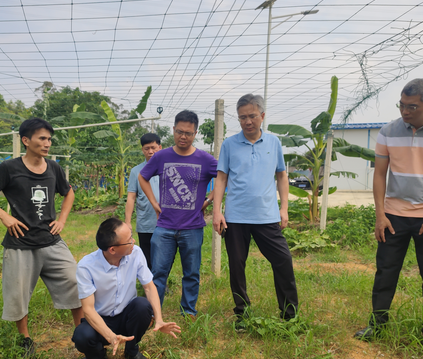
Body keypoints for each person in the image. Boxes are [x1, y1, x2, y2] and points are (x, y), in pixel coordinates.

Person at [354, 78, 423, 357]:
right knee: (385, 272)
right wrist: (380, 214)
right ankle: (377, 324)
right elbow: (379, 174)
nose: (405, 112)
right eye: (401, 105)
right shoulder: (388, 131)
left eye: (411, 106)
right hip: (393, 216)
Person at [0, 118, 82, 358]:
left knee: (75, 282)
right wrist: (4, 216)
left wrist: (62, 219)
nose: (47, 143)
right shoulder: (9, 168)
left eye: (49, 139)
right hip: (20, 244)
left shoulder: (54, 168)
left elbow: (68, 191)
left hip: (51, 241)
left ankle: (82, 334)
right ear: (25, 140)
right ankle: (25, 340)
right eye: (42, 138)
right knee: (17, 294)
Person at [212, 94, 299, 328]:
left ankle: (290, 314)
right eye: (242, 117)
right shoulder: (229, 144)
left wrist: (284, 208)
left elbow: (281, 175)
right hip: (236, 216)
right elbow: (221, 178)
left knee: (283, 260)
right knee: (237, 266)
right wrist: (217, 212)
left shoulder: (274, 143)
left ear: (262, 116)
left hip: (266, 216)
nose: (247, 121)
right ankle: (242, 313)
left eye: (252, 116)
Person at [70, 218, 181, 359]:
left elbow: (149, 287)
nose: (133, 242)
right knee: (82, 336)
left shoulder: (136, 253)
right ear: (112, 250)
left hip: (127, 316)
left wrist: (159, 319)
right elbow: (88, 310)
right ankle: (96, 357)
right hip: (101, 319)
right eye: (129, 240)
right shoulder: (86, 266)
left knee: (142, 306)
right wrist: (111, 336)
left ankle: (131, 350)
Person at [138, 110, 217, 317]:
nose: (183, 136)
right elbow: (142, 177)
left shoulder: (205, 159)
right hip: (164, 227)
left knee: (191, 273)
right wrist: (154, 203)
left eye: (189, 133)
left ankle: (188, 311)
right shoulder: (161, 156)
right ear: (173, 130)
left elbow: (225, 178)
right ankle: (154, 313)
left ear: (195, 133)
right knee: (158, 273)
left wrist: (208, 200)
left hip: (193, 228)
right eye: (180, 132)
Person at [125, 132, 162, 270]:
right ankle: (148, 284)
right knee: (147, 255)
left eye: (153, 147)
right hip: (145, 222)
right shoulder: (136, 171)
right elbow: (131, 197)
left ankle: (161, 282)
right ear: (142, 150)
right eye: (147, 148)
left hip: (164, 222)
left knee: (163, 255)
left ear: (160, 147)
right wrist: (127, 222)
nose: (150, 151)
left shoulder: (167, 168)